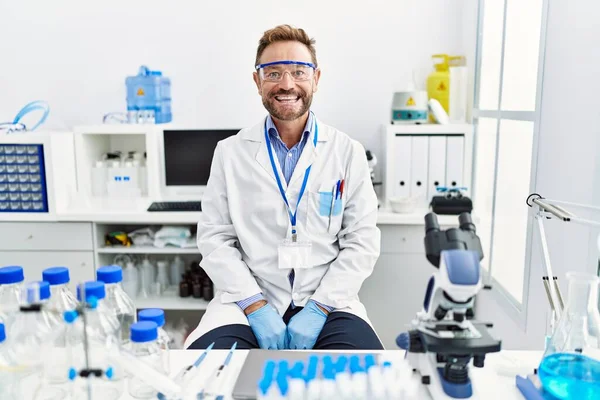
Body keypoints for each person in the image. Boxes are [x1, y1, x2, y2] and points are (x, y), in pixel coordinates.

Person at [185, 24, 382, 350]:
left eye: (298, 72)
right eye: (273, 73)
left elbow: (362, 242)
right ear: (257, 81)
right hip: (247, 301)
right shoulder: (230, 152)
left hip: (328, 302)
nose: (287, 84)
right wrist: (255, 306)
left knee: (361, 382)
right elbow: (215, 239)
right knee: (207, 378)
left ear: (316, 78)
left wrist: (319, 308)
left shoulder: (347, 151)